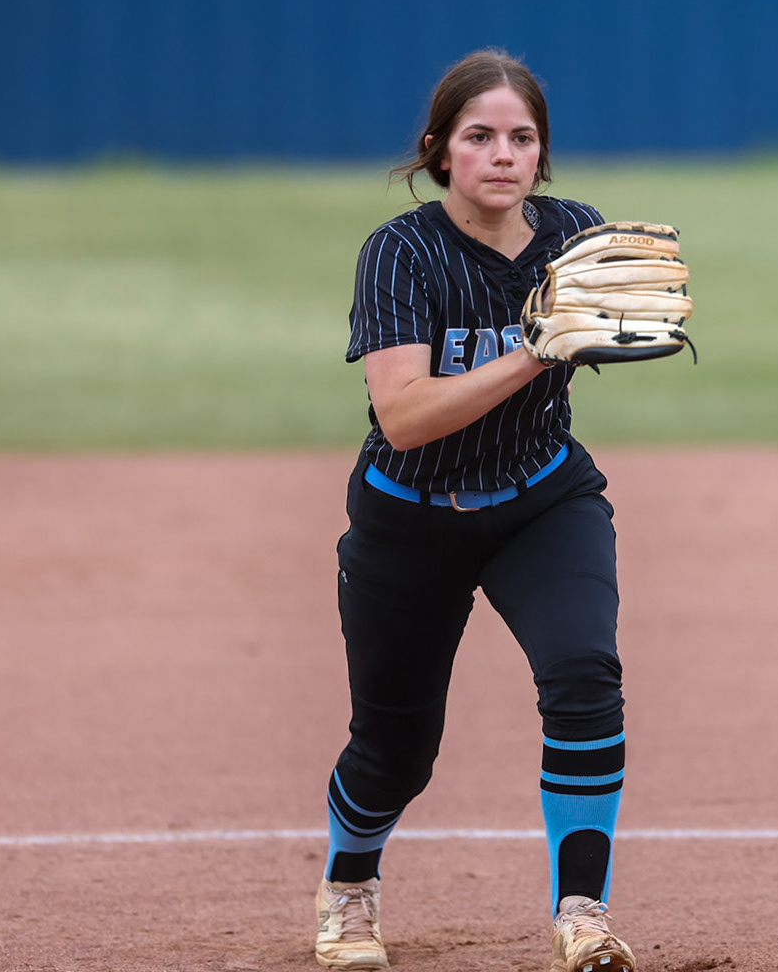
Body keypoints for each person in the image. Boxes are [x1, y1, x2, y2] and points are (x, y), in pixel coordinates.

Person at [315, 49, 637, 972]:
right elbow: (405, 417)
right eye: (480, 136)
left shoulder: (576, 235)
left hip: (542, 497)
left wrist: (630, 329)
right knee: (395, 748)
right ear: (440, 151)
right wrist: (539, 350)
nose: (503, 154)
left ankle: (583, 914)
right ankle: (349, 891)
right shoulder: (402, 252)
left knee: (584, 675)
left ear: (542, 155)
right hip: (408, 517)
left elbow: (616, 332)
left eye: (522, 137)